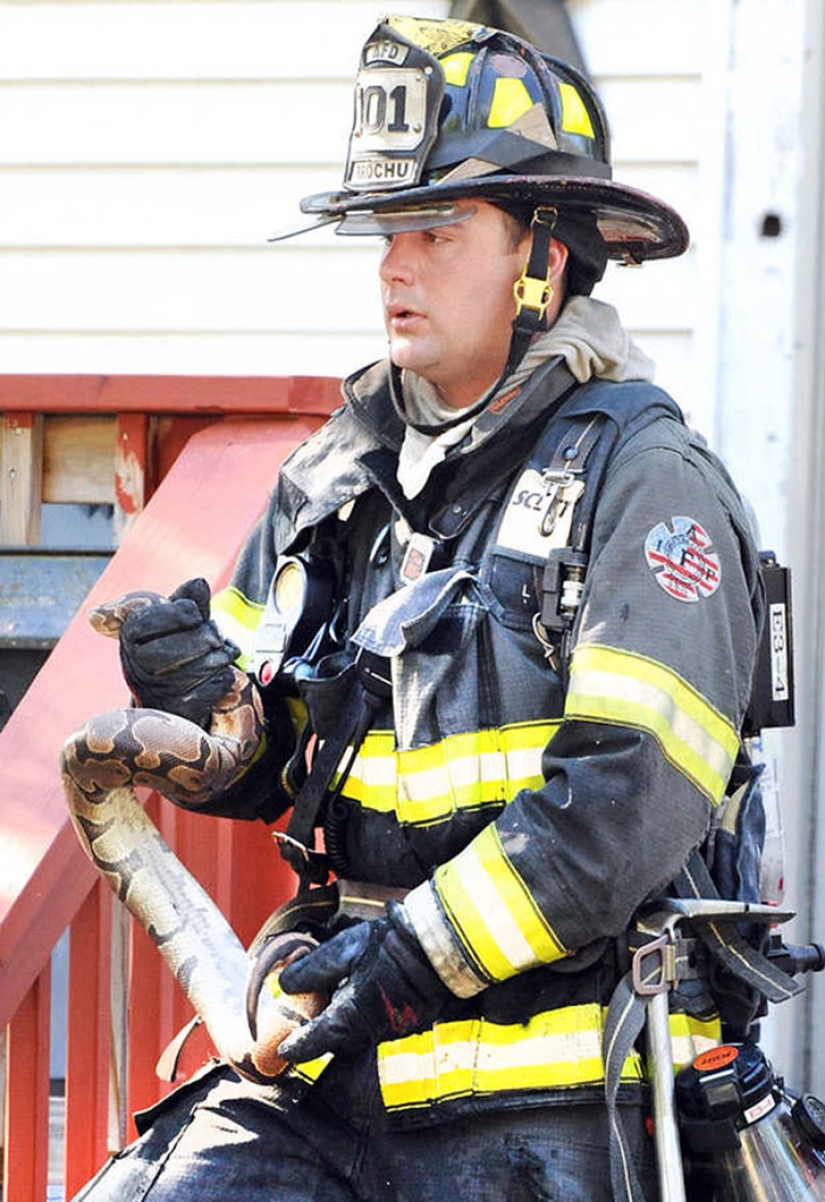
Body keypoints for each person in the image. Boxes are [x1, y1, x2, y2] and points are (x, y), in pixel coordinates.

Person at [74, 14, 764, 1202]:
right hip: (332, 1076)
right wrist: (209, 707)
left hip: (557, 1104)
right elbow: (273, 757)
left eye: (436, 232)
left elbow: (623, 807)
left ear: (542, 257)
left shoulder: (647, 484)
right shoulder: (346, 474)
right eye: (386, 234)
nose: (394, 268)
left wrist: (403, 957)